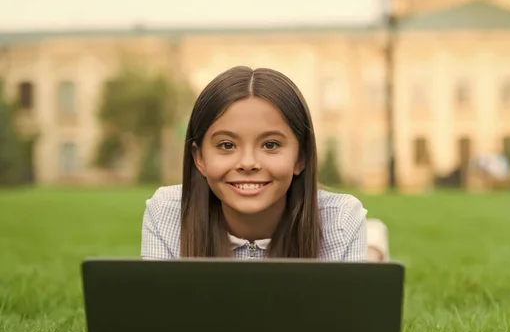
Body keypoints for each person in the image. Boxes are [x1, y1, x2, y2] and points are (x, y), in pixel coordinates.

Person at [141, 66, 368, 260]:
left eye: (270, 145)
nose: (248, 163)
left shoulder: (340, 220)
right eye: (227, 145)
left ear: (301, 158)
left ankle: (375, 245)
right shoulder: (166, 213)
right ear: (199, 158)